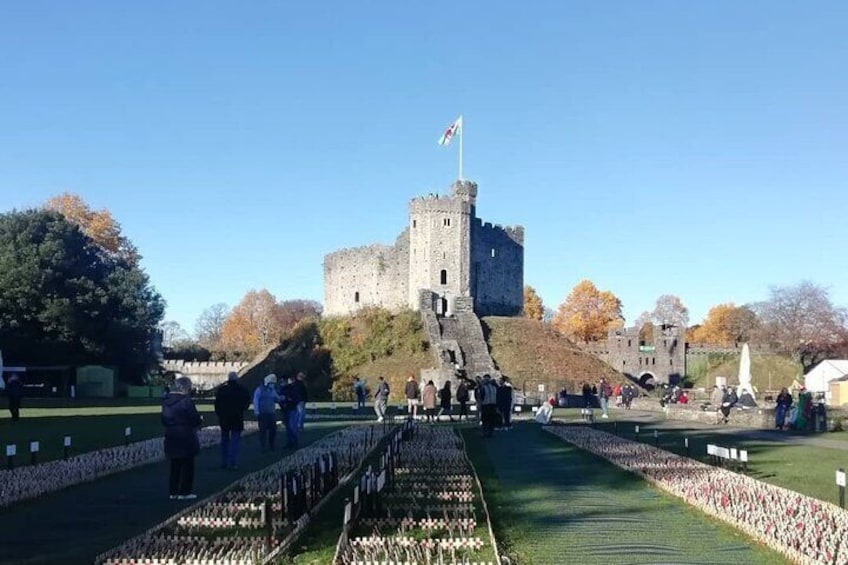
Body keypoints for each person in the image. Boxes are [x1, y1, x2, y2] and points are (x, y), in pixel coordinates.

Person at [162, 376, 202, 500]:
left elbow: (163, 419)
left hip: (171, 434)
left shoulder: (165, 402)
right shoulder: (186, 401)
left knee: (175, 465)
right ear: (186, 388)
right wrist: (199, 421)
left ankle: (173, 492)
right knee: (188, 465)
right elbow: (194, 418)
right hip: (185, 434)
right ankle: (185, 492)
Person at [214, 371, 251, 469]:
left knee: (224, 441)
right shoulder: (242, 390)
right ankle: (233, 462)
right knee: (235, 441)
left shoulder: (222, 390)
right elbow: (247, 403)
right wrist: (241, 410)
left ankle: (224, 462)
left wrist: (221, 414)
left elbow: (217, 405)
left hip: (225, 419)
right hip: (237, 418)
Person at [253, 374, 280, 452]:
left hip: (271, 413)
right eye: (271, 383)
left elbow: (276, 398)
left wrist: (281, 398)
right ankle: (263, 446)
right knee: (263, 431)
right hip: (263, 413)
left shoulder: (272, 390)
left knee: (273, 430)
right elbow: (256, 401)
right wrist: (256, 411)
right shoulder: (259, 390)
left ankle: (271, 444)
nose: (272, 385)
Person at [280, 376, 301, 449]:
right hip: (285, 410)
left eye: (283, 381)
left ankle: (295, 443)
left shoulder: (292, 388)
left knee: (293, 427)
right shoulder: (281, 389)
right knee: (288, 428)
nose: (282, 383)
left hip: (292, 409)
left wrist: (288, 400)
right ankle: (290, 442)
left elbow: (296, 399)